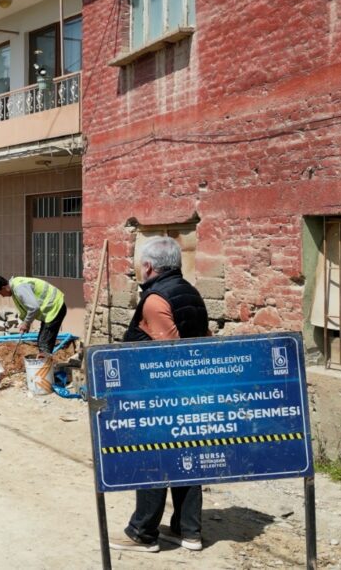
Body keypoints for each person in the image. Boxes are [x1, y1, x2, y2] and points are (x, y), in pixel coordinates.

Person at [109, 236, 210, 554]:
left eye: (141, 264)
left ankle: (143, 532)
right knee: (188, 456)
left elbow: (171, 352)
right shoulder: (192, 293)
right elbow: (205, 338)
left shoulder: (155, 299)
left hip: (161, 395)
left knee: (152, 456)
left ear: (149, 266)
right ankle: (188, 530)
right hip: (192, 392)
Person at [0, 274, 68, 358]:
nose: (3, 296)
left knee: (44, 343)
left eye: (0, 293)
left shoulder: (19, 288)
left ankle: (43, 368)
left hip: (54, 307)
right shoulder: (15, 289)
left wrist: (26, 323)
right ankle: (44, 366)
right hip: (51, 309)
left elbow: (34, 307)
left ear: (4, 287)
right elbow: (26, 310)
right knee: (42, 341)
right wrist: (24, 323)